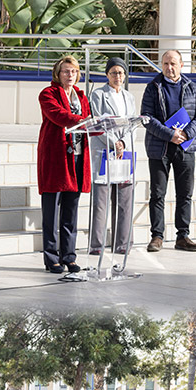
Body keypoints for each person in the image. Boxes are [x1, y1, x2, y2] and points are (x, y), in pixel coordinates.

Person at [141, 49, 196, 252]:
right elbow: (146, 117)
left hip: (185, 148)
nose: (169, 68)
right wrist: (168, 135)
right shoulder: (153, 87)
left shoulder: (192, 87)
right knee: (158, 194)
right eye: (165, 64)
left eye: (173, 63)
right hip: (159, 147)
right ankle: (157, 236)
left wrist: (187, 133)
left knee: (185, 193)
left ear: (181, 65)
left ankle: (183, 236)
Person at [37, 55, 91, 273]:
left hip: (78, 157)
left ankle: (69, 256)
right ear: (57, 74)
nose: (71, 75)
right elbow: (58, 116)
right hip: (55, 158)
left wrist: (92, 122)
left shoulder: (81, 96)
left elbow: (89, 118)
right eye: (66, 71)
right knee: (51, 212)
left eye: (74, 71)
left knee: (71, 210)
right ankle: (51, 258)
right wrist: (84, 121)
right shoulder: (47, 94)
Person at [88, 56, 137, 255]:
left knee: (125, 200)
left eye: (121, 73)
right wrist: (113, 143)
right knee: (101, 201)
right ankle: (96, 245)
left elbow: (133, 123)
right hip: (104, 150)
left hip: (123, 152)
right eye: (114, 72)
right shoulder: (98, 95)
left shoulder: (129, 97)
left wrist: (123, 143)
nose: (118, 76)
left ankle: (123, 244)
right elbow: (97, 123)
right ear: (107, 75)